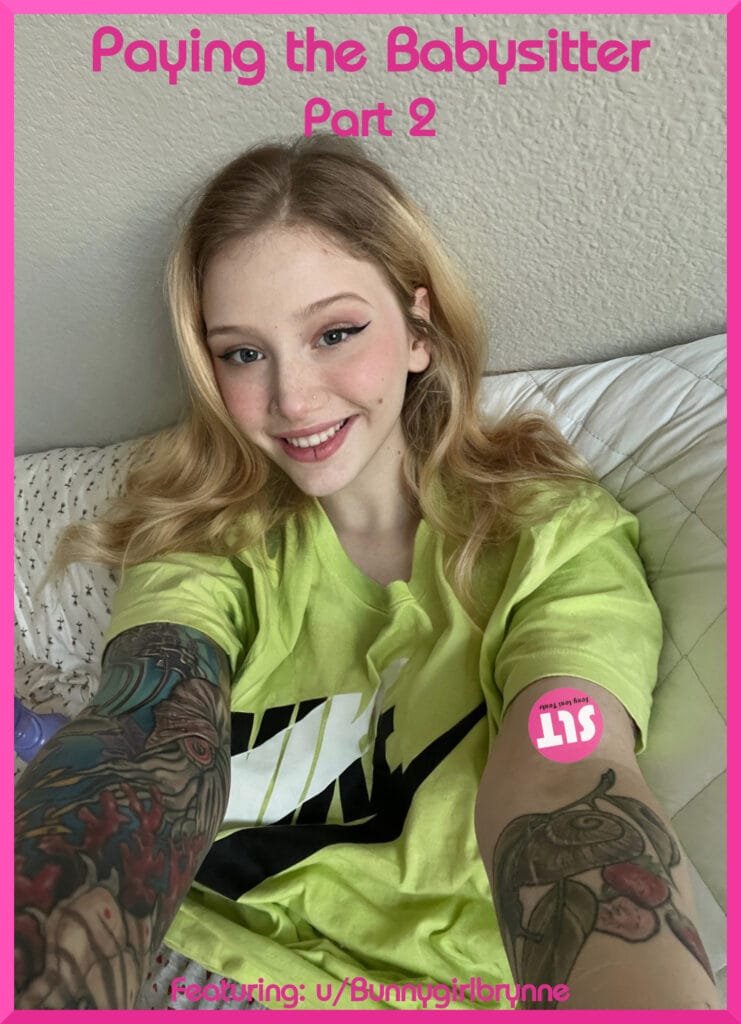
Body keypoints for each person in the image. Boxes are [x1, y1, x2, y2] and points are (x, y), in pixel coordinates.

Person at [14, 135, 720, 1010]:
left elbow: (565, 766)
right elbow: (149, 723)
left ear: (418, 329)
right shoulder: (207, 533)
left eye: (335, 333)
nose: (292, 399)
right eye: (242, 353)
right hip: (189, 953)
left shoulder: (546, 534)